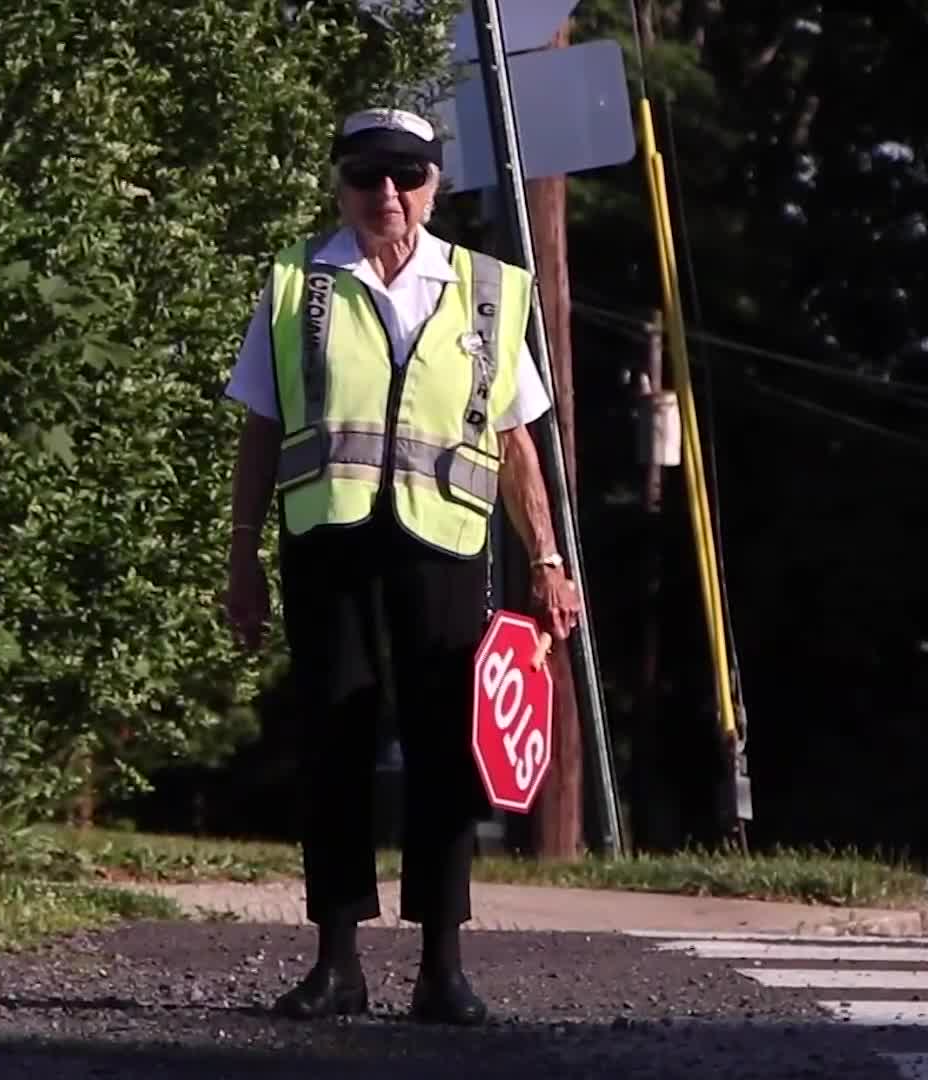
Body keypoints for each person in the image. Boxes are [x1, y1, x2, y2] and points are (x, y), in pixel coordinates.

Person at [218, 106, 582, 1025]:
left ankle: (442, 967)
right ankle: (336, 959)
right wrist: (242, 560)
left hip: (444, 544)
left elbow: (517, 438)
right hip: (327, 537)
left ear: (434, 184)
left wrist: (546, 557)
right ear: (338, 182)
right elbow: (260, 430)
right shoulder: (296, 283)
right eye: (366, 175)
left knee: (443, 748)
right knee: (334, 741)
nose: (387, 194)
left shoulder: (487, 290)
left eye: (407, 175)